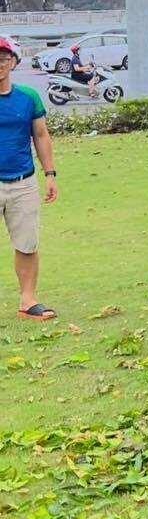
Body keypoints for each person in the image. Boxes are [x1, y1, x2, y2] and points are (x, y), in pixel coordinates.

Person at [0, 36, 58, 321]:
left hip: (23, 181)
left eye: (4, 58)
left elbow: (41, 135)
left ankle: (27, 300)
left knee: (27, 243)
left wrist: (50, 174)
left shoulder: (28, 97)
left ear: (13, 62)